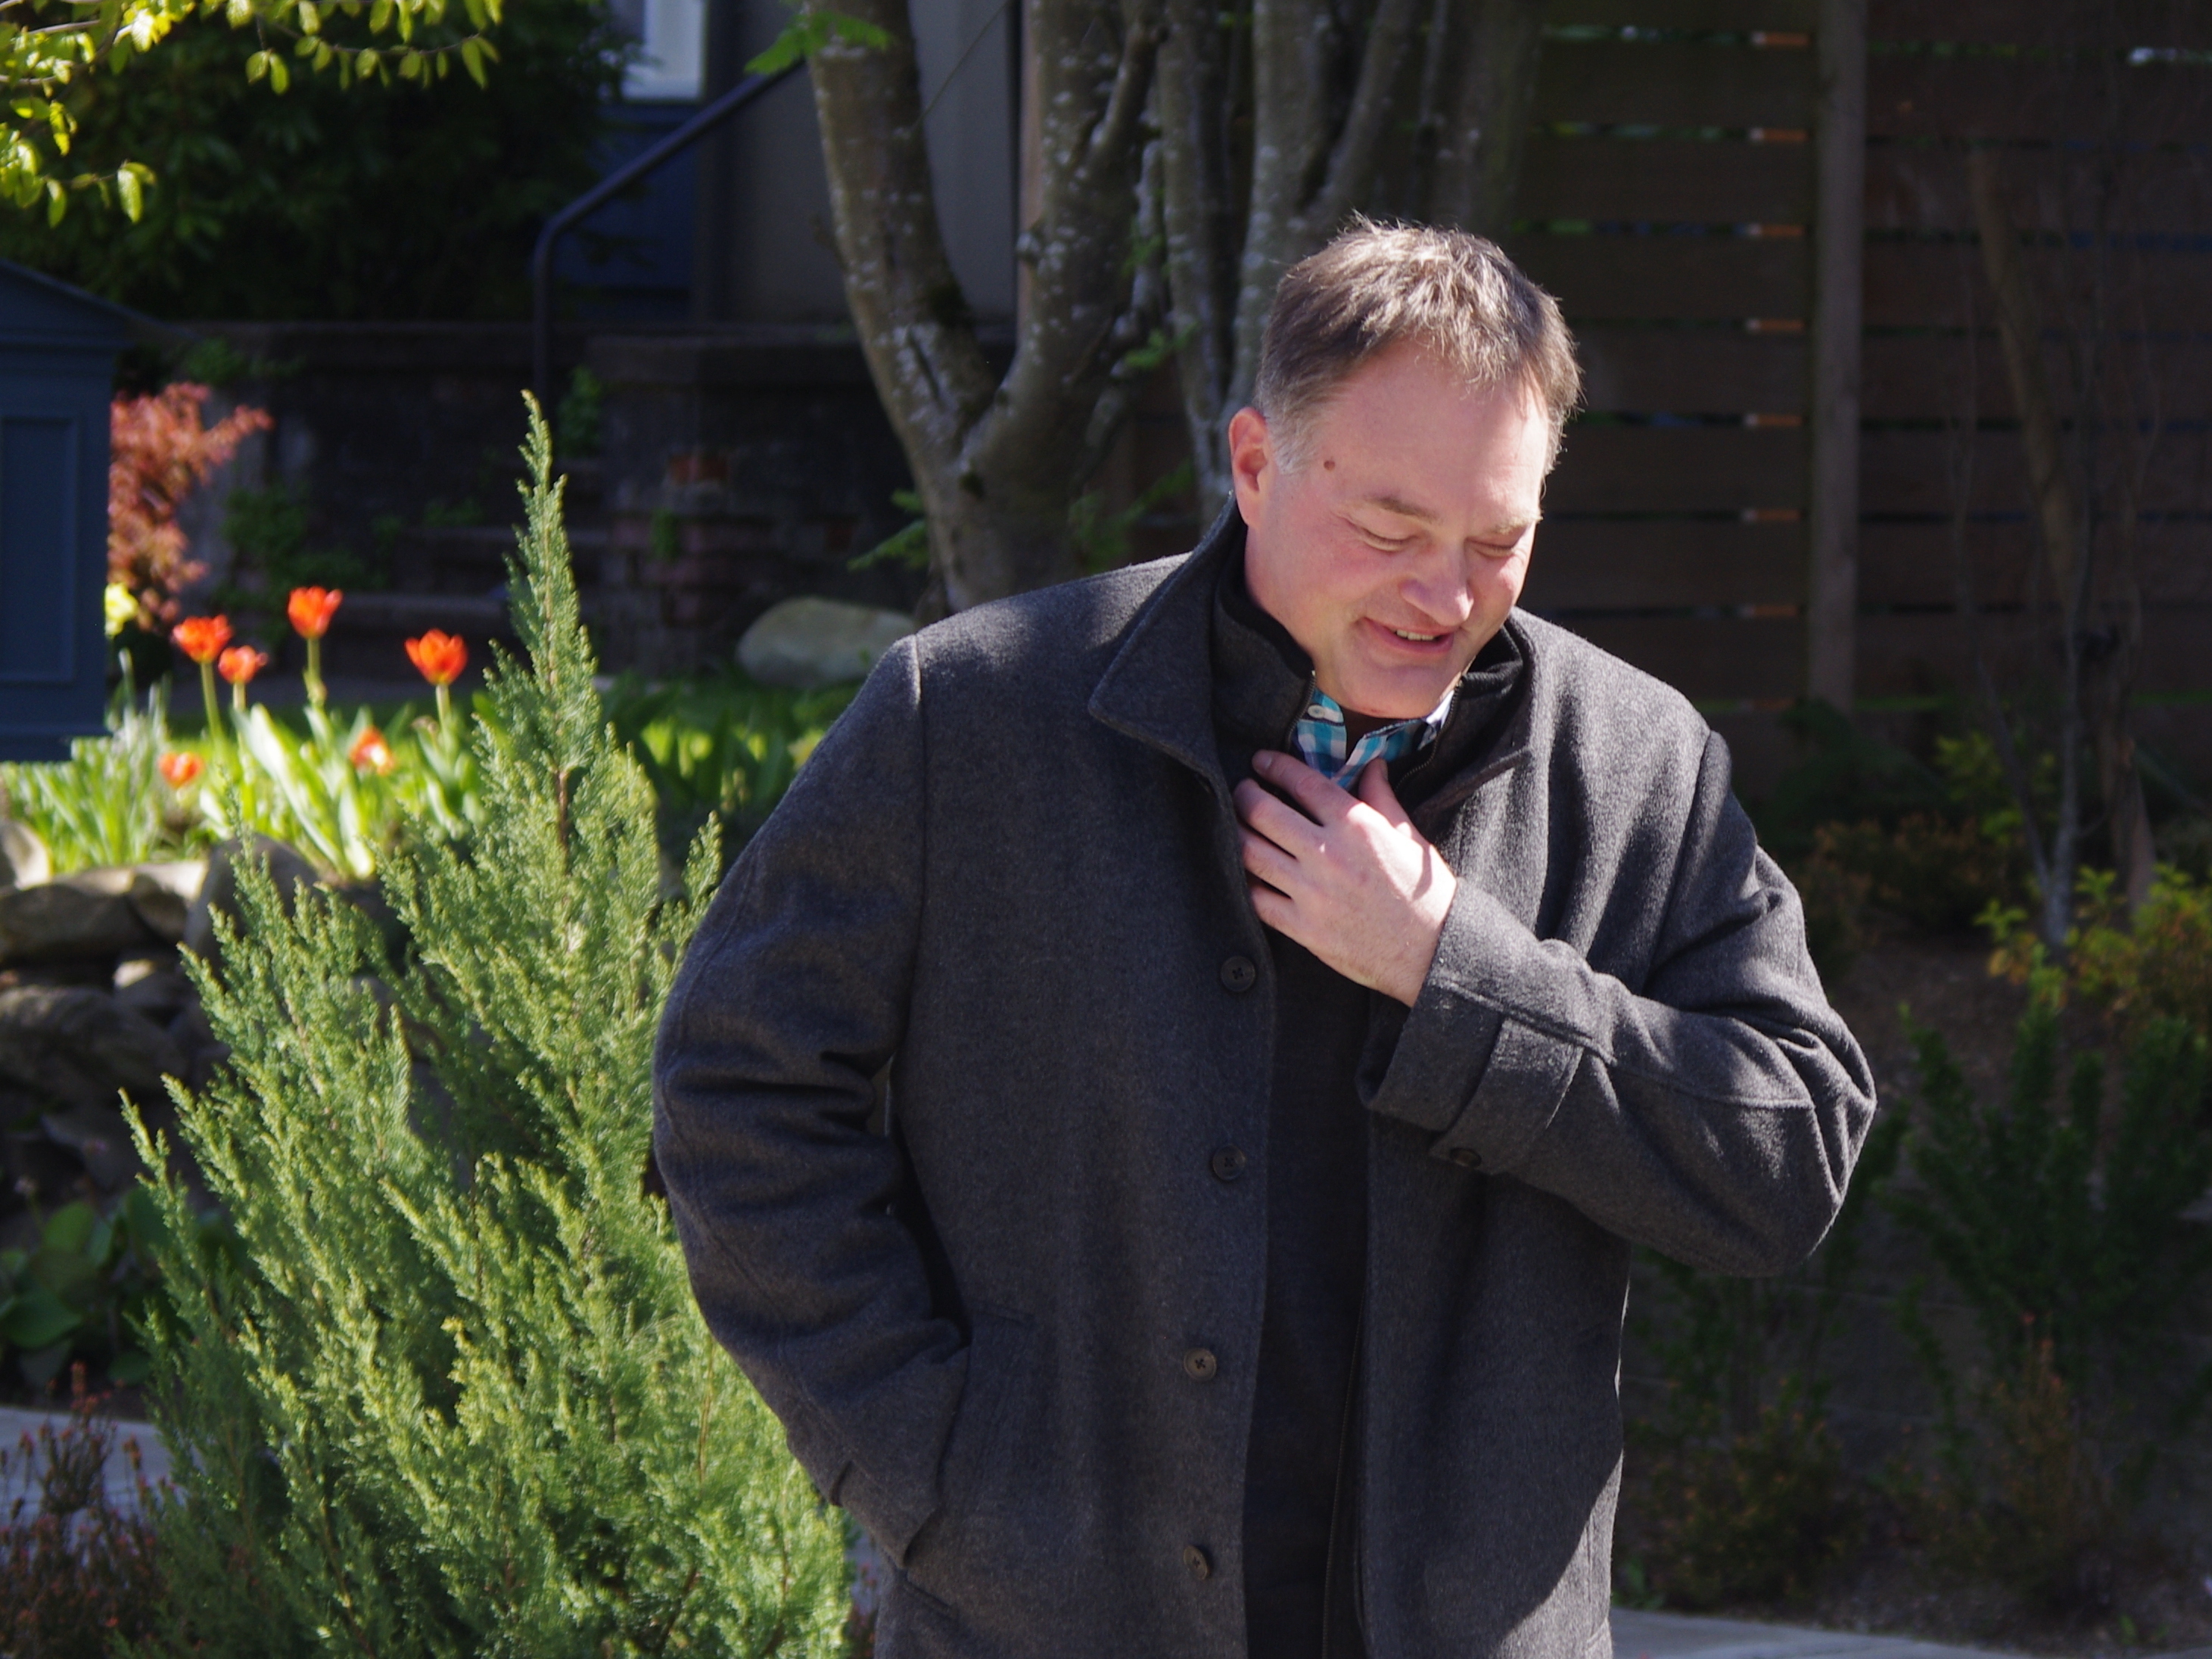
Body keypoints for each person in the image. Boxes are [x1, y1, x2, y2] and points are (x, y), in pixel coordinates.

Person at [652, 221, 1877, 1659]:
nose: (1445, 597)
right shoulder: (969, 716)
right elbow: (737, 1091)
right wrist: (933, 1476)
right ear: (1253, 464)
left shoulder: (1637, 760)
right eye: (1389, 530)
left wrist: (1455, 976)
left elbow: (1790, 1160)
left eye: (1500, 540)